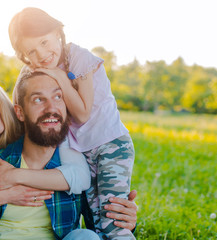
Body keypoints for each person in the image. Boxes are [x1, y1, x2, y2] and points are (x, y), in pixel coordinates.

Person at [0, 70, 137, 239]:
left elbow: (81, 178)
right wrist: (7, 195)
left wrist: (120, 213)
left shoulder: (53, 134)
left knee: (86, 237)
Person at [7, 7, 136, 239]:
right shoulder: (36, 67)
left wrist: (59, 77)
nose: (42, 55)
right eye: (32, 52)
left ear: (57, 32)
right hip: (82, 151)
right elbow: (19, 101)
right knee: (93, 220)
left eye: (45, 42)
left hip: (111, 144)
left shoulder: (79, 57)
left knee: (112, 220)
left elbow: (83, 113)